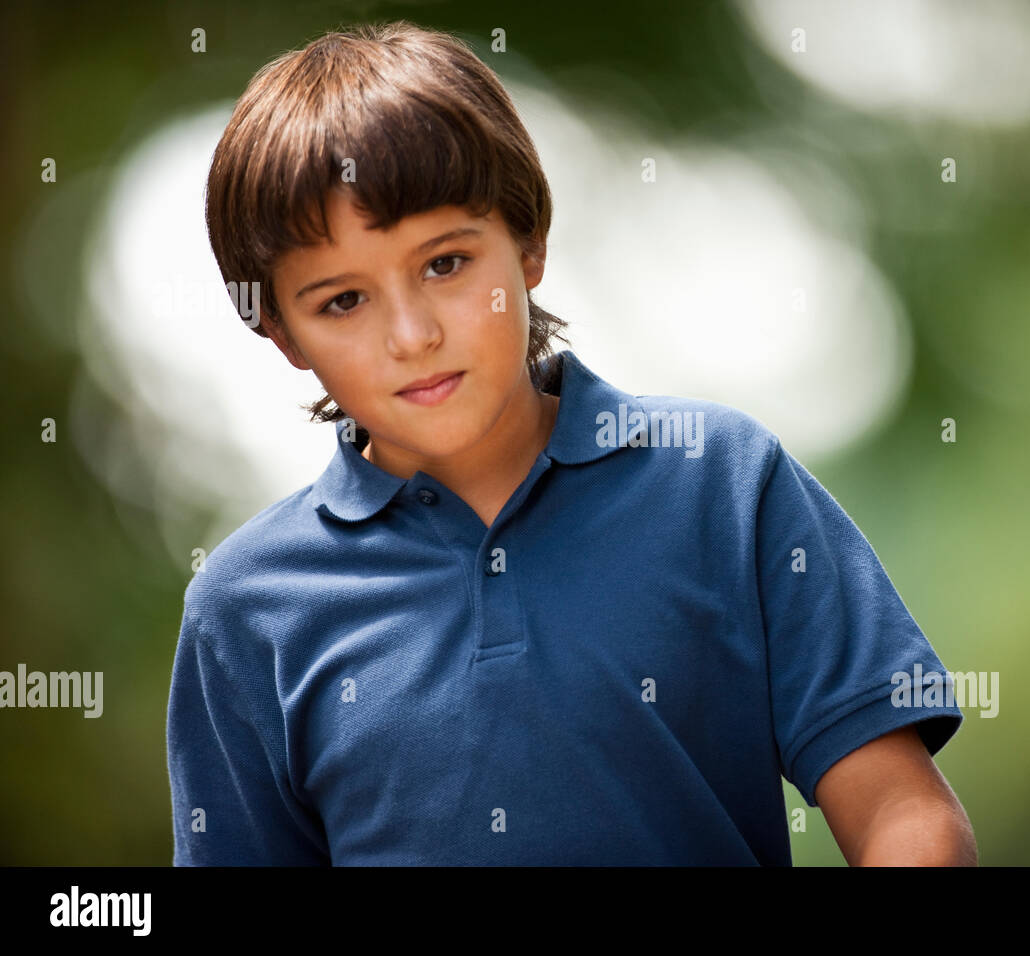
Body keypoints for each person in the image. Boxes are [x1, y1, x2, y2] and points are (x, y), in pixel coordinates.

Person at [166, 20, 976, 866]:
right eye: (342, 302)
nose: (410, 335)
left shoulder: (724, 485)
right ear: (284, 336)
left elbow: (903, 817)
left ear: (528, 242)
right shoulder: (245, 609)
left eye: (444, 264)